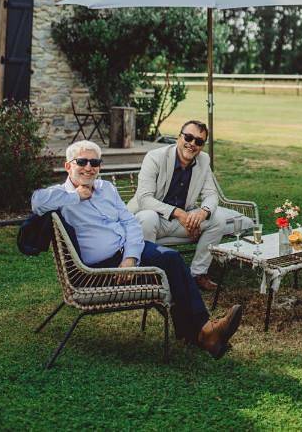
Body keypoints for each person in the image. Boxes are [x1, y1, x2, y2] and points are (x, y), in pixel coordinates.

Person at [32, 140, 243, 359]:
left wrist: (130, 257)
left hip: (126, 253)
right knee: (171, 267)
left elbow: (130, 223)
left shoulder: (106, 188)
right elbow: (37, 202)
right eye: (82, 161)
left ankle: (201, 332)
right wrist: (76, 195)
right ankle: (204, 332)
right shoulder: (60, 196)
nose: (88, 167)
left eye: (94, 162)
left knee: (171, 258)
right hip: (99, 268)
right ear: (68, 166)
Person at [127, 120, 226, 292]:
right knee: (148, 217)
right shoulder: (155, 157)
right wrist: (179, 213)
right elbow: (144, 199)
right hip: (151, 219)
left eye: (199, 141)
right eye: (188, 137)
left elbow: (211, 194)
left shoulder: (203, 160)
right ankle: (147, 275)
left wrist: (202, 213)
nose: (192, 144)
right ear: (178, 138)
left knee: (217, 219)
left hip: (181, 220)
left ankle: (197, 274)